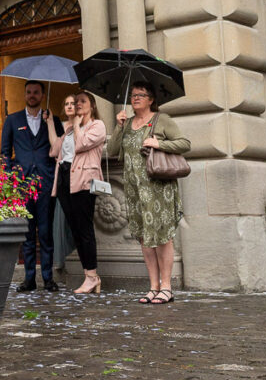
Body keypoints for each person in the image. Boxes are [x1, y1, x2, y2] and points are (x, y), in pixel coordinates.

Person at [107, 80, 191, 305]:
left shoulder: (161, 120)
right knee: (145, 237)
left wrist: (159, 144)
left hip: (158, 188)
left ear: (151, 99)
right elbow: (112, 150)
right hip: (135, 189)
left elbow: (184, 143)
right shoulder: (127, 123)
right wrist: (118, 126)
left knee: (163, 237)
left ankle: (167, 287)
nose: (135, 98)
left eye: (140, 95)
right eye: (133, 95)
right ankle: (153, 286)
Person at [1, 80, 63, 293]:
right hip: (23, 183)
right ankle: (29, 278)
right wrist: (11, 176)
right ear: (25, 94)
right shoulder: (12, 120)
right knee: (26, 233)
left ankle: (48, 278)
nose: (32, 95)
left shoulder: (52, 119)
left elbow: (60, 147)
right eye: (28, 92)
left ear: (42, 94)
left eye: (36, 92)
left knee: (45, 232)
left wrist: (50, 123)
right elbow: (5, 152)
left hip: (46, 182)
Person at [47, 91, 106, 294]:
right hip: (65, 178)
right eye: (76, 101)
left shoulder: (97, 126)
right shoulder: (71, 128)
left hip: (83, 180)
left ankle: (92, 276)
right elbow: (54, 151)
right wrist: (49, 123)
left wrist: (78, 125)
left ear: (92, 105)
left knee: (84, 228)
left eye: (82, 101)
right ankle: (89, 275)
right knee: (75, 228)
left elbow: (82, 145)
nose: (78, 104)